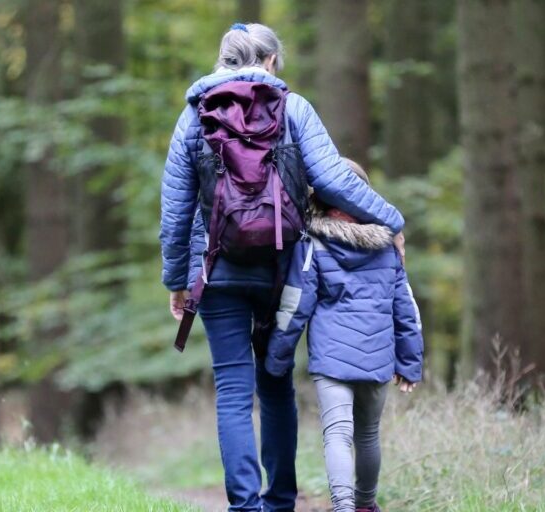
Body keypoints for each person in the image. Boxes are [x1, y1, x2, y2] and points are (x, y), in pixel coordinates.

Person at [159, 23, 407, 511]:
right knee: (275, 384)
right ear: (271, 60)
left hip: (216, 270)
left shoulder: (194, 116)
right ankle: (281, 501)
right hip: (283, 271)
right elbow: (335, 181)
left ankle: (244, 506)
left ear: (222, 60)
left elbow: (175, 210)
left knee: (233, 389)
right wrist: (391, 219)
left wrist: (176, 279)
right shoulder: (294, 109)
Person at [266, 160, 424, 512]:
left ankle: (343, 507)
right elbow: (406, 308)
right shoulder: (388, 246)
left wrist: (277, 356)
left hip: (332, 360)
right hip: (378, 356)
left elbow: (295, 305)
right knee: (367, 434)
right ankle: (367, 504)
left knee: (336, 434)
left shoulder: (312, 244)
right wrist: (410, 361)